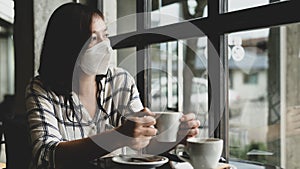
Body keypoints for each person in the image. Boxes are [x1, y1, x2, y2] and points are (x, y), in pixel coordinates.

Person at [25, 2, 200, 169]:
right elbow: (45, 154)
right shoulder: (40, 89)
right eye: (93, 38)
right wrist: (117, 137)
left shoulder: (120, 80)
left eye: (106, 35)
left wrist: (175, 137)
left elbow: (144, 146)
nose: (106, 46)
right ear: (68, 47)